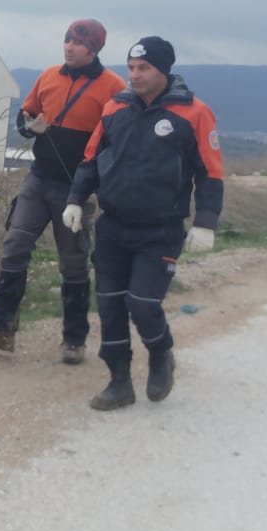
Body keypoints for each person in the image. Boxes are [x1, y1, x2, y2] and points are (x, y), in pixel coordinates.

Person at [63, 36, 223, 410]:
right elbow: (91, 159)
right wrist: (75, 199)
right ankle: (119, 382)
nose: (134, 75)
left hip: (160, 230)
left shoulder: (194, 113)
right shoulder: (115, 107)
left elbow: (210, 173)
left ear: (163, 70)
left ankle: (161, 353)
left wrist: (205, 221)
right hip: (113, 226)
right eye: (131, 68)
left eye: (143, 68)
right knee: (110, 306)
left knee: (142, 304)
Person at [0, 19, 126, 364]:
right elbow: (26, 114)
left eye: (78, 42)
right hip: (38, 180)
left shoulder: (113, 86)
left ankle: (74, 340)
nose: (69, 46)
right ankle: (0, 328)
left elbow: (117, 140)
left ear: (94, 49)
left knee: (72, 264)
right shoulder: (49, 75)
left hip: (76, 189)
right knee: (13, 246)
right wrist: (27, 124)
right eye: (67, 39)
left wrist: (97, 186)